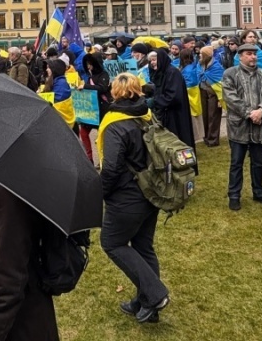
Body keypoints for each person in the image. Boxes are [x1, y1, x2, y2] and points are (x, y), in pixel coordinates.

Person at [97, 73, 170, 324]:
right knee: (143, 246)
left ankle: (155, 294)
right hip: (152, 190)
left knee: (112, 242)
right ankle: (146, 302)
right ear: (138, 91)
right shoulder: (146, 115)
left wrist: (100, 193)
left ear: (115, 93)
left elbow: (111, 168)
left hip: (128, 196)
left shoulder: (116, 123)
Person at [0, 179, 59, 340]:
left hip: (17, 323)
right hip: (21, 314)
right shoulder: (8, 182)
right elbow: (9, 226)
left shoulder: (10, 189)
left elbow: (9, 281)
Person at [222, 43, 262, 211]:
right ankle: (234, 195)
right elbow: (230, 98)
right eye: (249, 54)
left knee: (258, 162)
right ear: (240, 56)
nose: (253, 57)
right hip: (238, 125)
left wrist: (261, 110)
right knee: (236, 162)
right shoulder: (230, 74)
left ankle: (259, 192)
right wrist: (249, 113)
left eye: (255, 54)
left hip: (259, 125)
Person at [147, 50, 193, 146]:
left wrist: (155, 101)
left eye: (154, 60)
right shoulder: (159, 73)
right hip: (164, 112)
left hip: (175, 114)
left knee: (177, 138)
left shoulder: (172, 72)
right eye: (150, 61)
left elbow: (173, 96)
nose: (152, 63)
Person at [79, 52, 111, 164]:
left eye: (90, 64)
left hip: (102, 109)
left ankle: (103, 159)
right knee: (83, 132)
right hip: (91, 110)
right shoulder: (90, 76)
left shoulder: (104, 74)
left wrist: (86, 86)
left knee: (102, 136)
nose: (88, 66)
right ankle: (89, 159)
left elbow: (102, 88)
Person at [198, 45, 224, 147]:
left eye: (201, 54)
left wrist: (220, 99)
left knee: (213, 116)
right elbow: (199, 75)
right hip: (203, 91)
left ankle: (213, 139)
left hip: (214, 94)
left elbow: (220, 83)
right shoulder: (200, 65)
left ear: (206, 55)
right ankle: (207, 137)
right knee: (205, 116)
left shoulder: (217, 66)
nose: (199, 55)